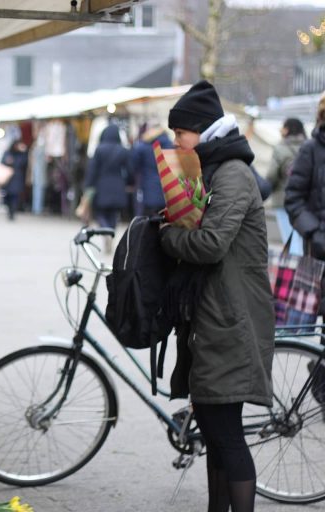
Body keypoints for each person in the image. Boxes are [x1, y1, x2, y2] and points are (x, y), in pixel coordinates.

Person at [161, 80, 274, 512]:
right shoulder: (212, 169)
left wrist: (167, 235)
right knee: (213, 430)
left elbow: (209, 244)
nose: (176, 142)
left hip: (232, 320)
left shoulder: (231, 174)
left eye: (180, 133)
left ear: (202, 130)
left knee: (225, 433)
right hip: (215, 317)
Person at [268, 118, 306, 255]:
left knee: (288, 237)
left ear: (288, 129)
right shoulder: (309, 145)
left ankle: (292, 271)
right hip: (304, 200)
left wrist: (268, 188)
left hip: (282, 199)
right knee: (301, 238)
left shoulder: (280, 148)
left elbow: (271, 174)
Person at [84, 125, 129, 232]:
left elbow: (92, 170)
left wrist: (88, 184)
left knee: (100, 213)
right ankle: (110, 232)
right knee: (113, 214)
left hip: (102, 186)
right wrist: (127, 183)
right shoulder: (123, 151)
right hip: (118, 185)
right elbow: (129, 170)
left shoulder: (99, 150)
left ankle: (105, 230)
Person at [129, 123, 173, 216]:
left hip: (148, 189)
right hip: (168, 191)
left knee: (148, 220)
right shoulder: (171, 146)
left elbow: (133, 166)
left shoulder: (143, 146)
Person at [1, 140, 29, 220]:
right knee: (8, 196)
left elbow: (24, 163)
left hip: (17, 178)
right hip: (8, 178)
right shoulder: (7, 153)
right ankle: (10, 210)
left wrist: (24, 152)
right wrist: (7, 161)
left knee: (15, 196)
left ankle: (12, 212)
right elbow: (2, 162)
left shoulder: (21, 154)